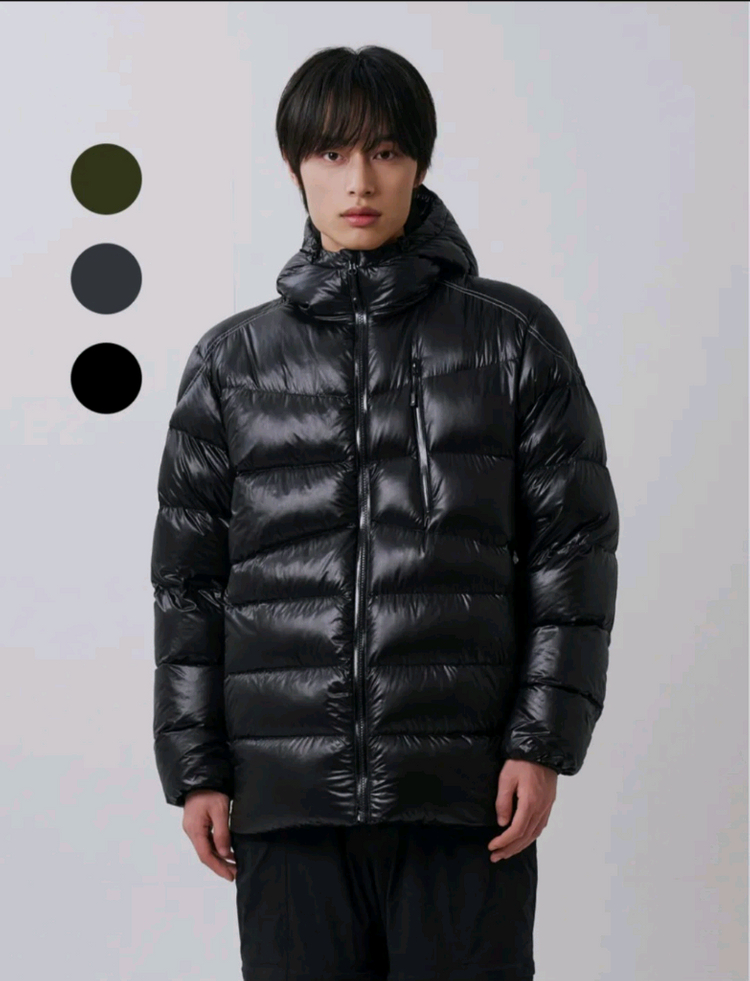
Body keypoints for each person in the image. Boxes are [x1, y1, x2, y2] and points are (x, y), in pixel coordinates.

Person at [151, 44, 619, 981]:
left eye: (387, 152)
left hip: (460, 798)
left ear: (420, 163)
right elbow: (189, 582)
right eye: (331, 154)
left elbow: (573, 552)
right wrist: (196, 765)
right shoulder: (231, 362)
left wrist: (540, 743)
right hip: (287, 801)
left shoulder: (512, 338)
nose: (359, 181)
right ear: (295, 167)